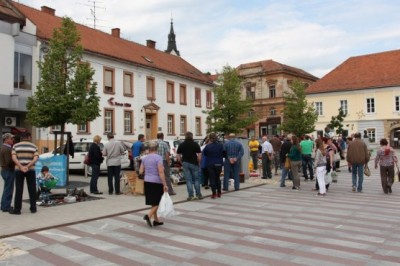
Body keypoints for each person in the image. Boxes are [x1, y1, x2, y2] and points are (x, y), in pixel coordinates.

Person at [139, 141, 168, 228]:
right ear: (157, 148)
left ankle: (156, 220)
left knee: (153, 202)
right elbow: (161, 171)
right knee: (159, 201)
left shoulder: (144, 158)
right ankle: (148, 215)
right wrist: (165, 184)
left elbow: (140, 171)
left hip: (147, 181)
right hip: (156, 181)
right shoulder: (158, 158)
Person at [10, 132, 39, 214]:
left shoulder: (15, 146)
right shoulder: (34, 146)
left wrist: (21, 166)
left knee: (19, 189)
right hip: (31, 170)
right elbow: (35, 158)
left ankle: (17, 210)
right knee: (32, 189)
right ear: (29, 137)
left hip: (18, 170)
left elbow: (14, 157)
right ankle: (33, 208)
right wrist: (28, 166)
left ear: (21, 137)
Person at [176, 131, 203, 200]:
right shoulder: (195, 144)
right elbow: (199, 155)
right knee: (196, 179)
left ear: (185, 136)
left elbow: (178, 155)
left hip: (185, 163)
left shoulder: (181, 145)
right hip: (194, 163)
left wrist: (181, 161)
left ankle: (190, 196)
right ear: (192, 136)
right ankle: (198, 195)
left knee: (188, 180)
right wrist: (199, 161)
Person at [203, 133, 224, 199]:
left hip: (210, 164)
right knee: (217, 178)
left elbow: (205, 154)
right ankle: (219, 193)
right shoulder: (221, 145)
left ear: (210, 138)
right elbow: (224, 153)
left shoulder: (207, 146)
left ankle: (214, 193)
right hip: (219, 163)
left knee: (212, 178)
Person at [0, 133, 15, 212]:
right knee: (9, 189)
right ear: (6, 139)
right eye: (11, 138)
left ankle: (3, 205)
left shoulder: (5, 147)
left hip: (5, 170)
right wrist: (16, 161)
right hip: (8, 170)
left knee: (7, 188)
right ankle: (6, 206)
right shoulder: (6, 149)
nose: (13, 140)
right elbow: (9, 162)